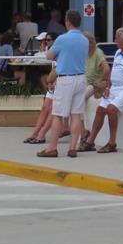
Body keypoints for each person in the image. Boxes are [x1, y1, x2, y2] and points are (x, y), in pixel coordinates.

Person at [82, 27, 123, 153]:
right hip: (115, 88)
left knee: (111, 109)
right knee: (100, 110)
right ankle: (90, 141)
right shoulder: (118, 52)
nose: (115, 40)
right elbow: (113, 72)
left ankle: (112, 142)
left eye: (116, 38)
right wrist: (108, 87)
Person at [37, 10, 89, 159]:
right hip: (81, 77)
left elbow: (49, 56)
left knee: (58, 115)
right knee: (76, 114)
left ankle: (52, 147)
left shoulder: (62, 39)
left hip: (66, 78)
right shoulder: (85, 40)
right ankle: (73, 147)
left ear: (68, 22)